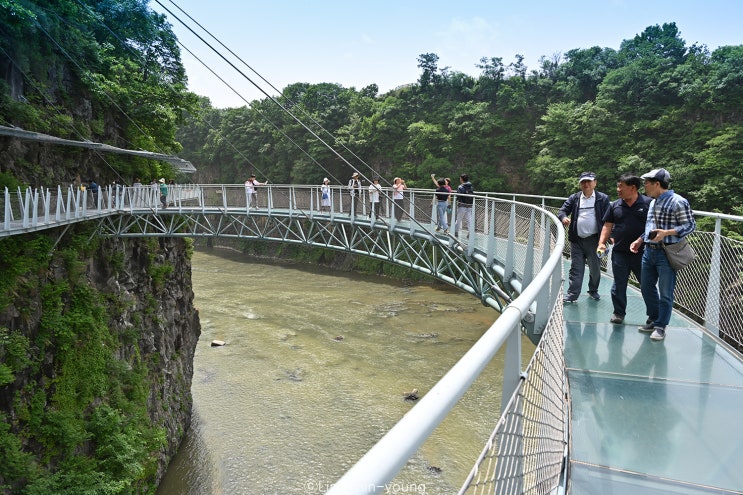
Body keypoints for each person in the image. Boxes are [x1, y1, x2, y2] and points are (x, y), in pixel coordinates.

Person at [629, 168, 696, 341]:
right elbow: (650, 228)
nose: (644, 186)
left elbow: (690, 226)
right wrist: (640, 239)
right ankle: (653, 319)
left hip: (666, 253)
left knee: (666, 292)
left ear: (657, 184)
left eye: (647, 183)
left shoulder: (678, 201)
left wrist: (666, 233)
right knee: (645, 287)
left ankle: (661, 327)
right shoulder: (653, 202)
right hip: (649, 251)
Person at [598, 173, 652, 324]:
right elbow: (607, 225)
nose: (618, 189)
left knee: (647, 285)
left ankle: (653, 316)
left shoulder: (648, 204)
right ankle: (618, 313)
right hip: (620, 252)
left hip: (643, 253)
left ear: (633, 188)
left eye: (621, 186)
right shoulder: (615, 205)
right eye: (618, 186)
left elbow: (653, 226)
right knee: (619, 283)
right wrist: (602, 242)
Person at [558, 171, 610, 303]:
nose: (586, 184)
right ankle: (572, 295)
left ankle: (593, 290)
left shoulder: (602, 198)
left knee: (595, 270)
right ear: (580, 184)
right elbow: (563, 210)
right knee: (576, 269)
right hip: (577, 240)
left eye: (589, 181)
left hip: (595, 241)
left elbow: (609, 219)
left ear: (595, 183)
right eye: (583, 182)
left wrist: (609, 237)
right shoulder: (574, 198)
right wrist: (564, 218)